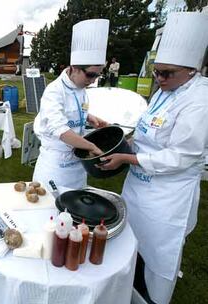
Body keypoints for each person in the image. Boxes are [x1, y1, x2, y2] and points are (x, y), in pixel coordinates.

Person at [99, 12, 208, 304]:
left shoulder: (199, 102)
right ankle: (128, 288)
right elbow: (148, 132)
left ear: (191, 70)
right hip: (139, 186)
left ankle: (154, 298)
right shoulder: (166, 90)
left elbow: (180, 157)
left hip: (167, 196)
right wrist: (123, 142)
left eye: (166, 73)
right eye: (156, 72)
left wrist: (126, 159)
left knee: (158, 252)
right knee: (129, 241)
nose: (159, 79)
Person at [32, 19, 109, 189]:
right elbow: (61, 130)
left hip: (76, 162)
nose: (93, 80)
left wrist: (89, 117)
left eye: (98, 75)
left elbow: (74, 109)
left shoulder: (81, 86)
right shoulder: (54, 91)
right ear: (74, 68)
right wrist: (91, 146)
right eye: (90, 75)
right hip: (56, 165)